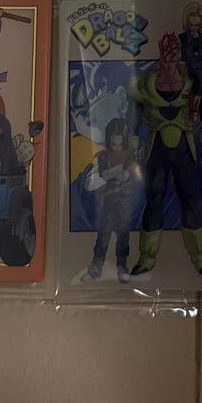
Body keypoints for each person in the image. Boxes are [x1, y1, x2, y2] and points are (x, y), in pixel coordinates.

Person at [128, 32, 202, 277]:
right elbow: (133, 117)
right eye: (165, 58)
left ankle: (199, 256)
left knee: (190, 198)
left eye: (173, 57)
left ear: (179, 57)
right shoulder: (145, 83)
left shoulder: (193, 82)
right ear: (160, 56)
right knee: (154, 199)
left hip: (184, 150)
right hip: (156, 150)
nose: (169, 63)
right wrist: (132, 150)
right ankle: (147, 257)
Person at [82, 116, 138, 283]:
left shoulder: (129, 156)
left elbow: (126, 175)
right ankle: (96, 266)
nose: (117, 147)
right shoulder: (104, 156)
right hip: (108, 200)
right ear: (109, 141)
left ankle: (122, 266)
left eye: (120, 144)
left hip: (124, 201)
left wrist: (117, 172)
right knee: (104, 234)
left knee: (123, 235)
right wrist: (117, 171)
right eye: (114, 144)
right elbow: (105, 175)